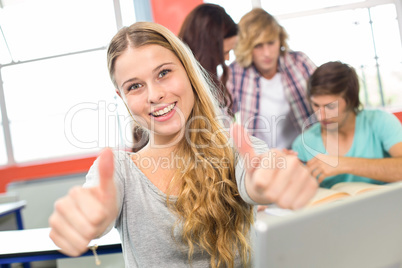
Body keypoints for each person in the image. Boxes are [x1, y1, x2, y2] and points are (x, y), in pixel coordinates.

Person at [48, 22, 317, 268]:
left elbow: (256, 177)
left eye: (163, 73)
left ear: (188, 71)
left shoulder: (236, 148)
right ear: (122, 97)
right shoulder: (119, 171)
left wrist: (266, 181)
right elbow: (100, 201)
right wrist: (93, 217)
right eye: (135, 86)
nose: (155, 94)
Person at [292, 61, 402, 189]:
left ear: (351, 101)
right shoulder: (303, 143)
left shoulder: (381, 121)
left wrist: (343, 164)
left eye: (330, 106)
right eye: (316, 105)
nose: (321, 116)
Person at [227, 8, 316, 150]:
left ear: (280, 40)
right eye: (258, 46)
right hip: (262, 159)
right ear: (247, 47)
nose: (267, 53)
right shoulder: (235, 73)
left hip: (303, 153)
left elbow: (327, 99)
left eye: (271, 43)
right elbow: (220, 115)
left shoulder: (299, 62)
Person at [178, 3, 237, 115]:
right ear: (206, 49)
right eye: (224, 52)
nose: (228, 59)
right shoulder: (183, 84)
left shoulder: (209, 78)